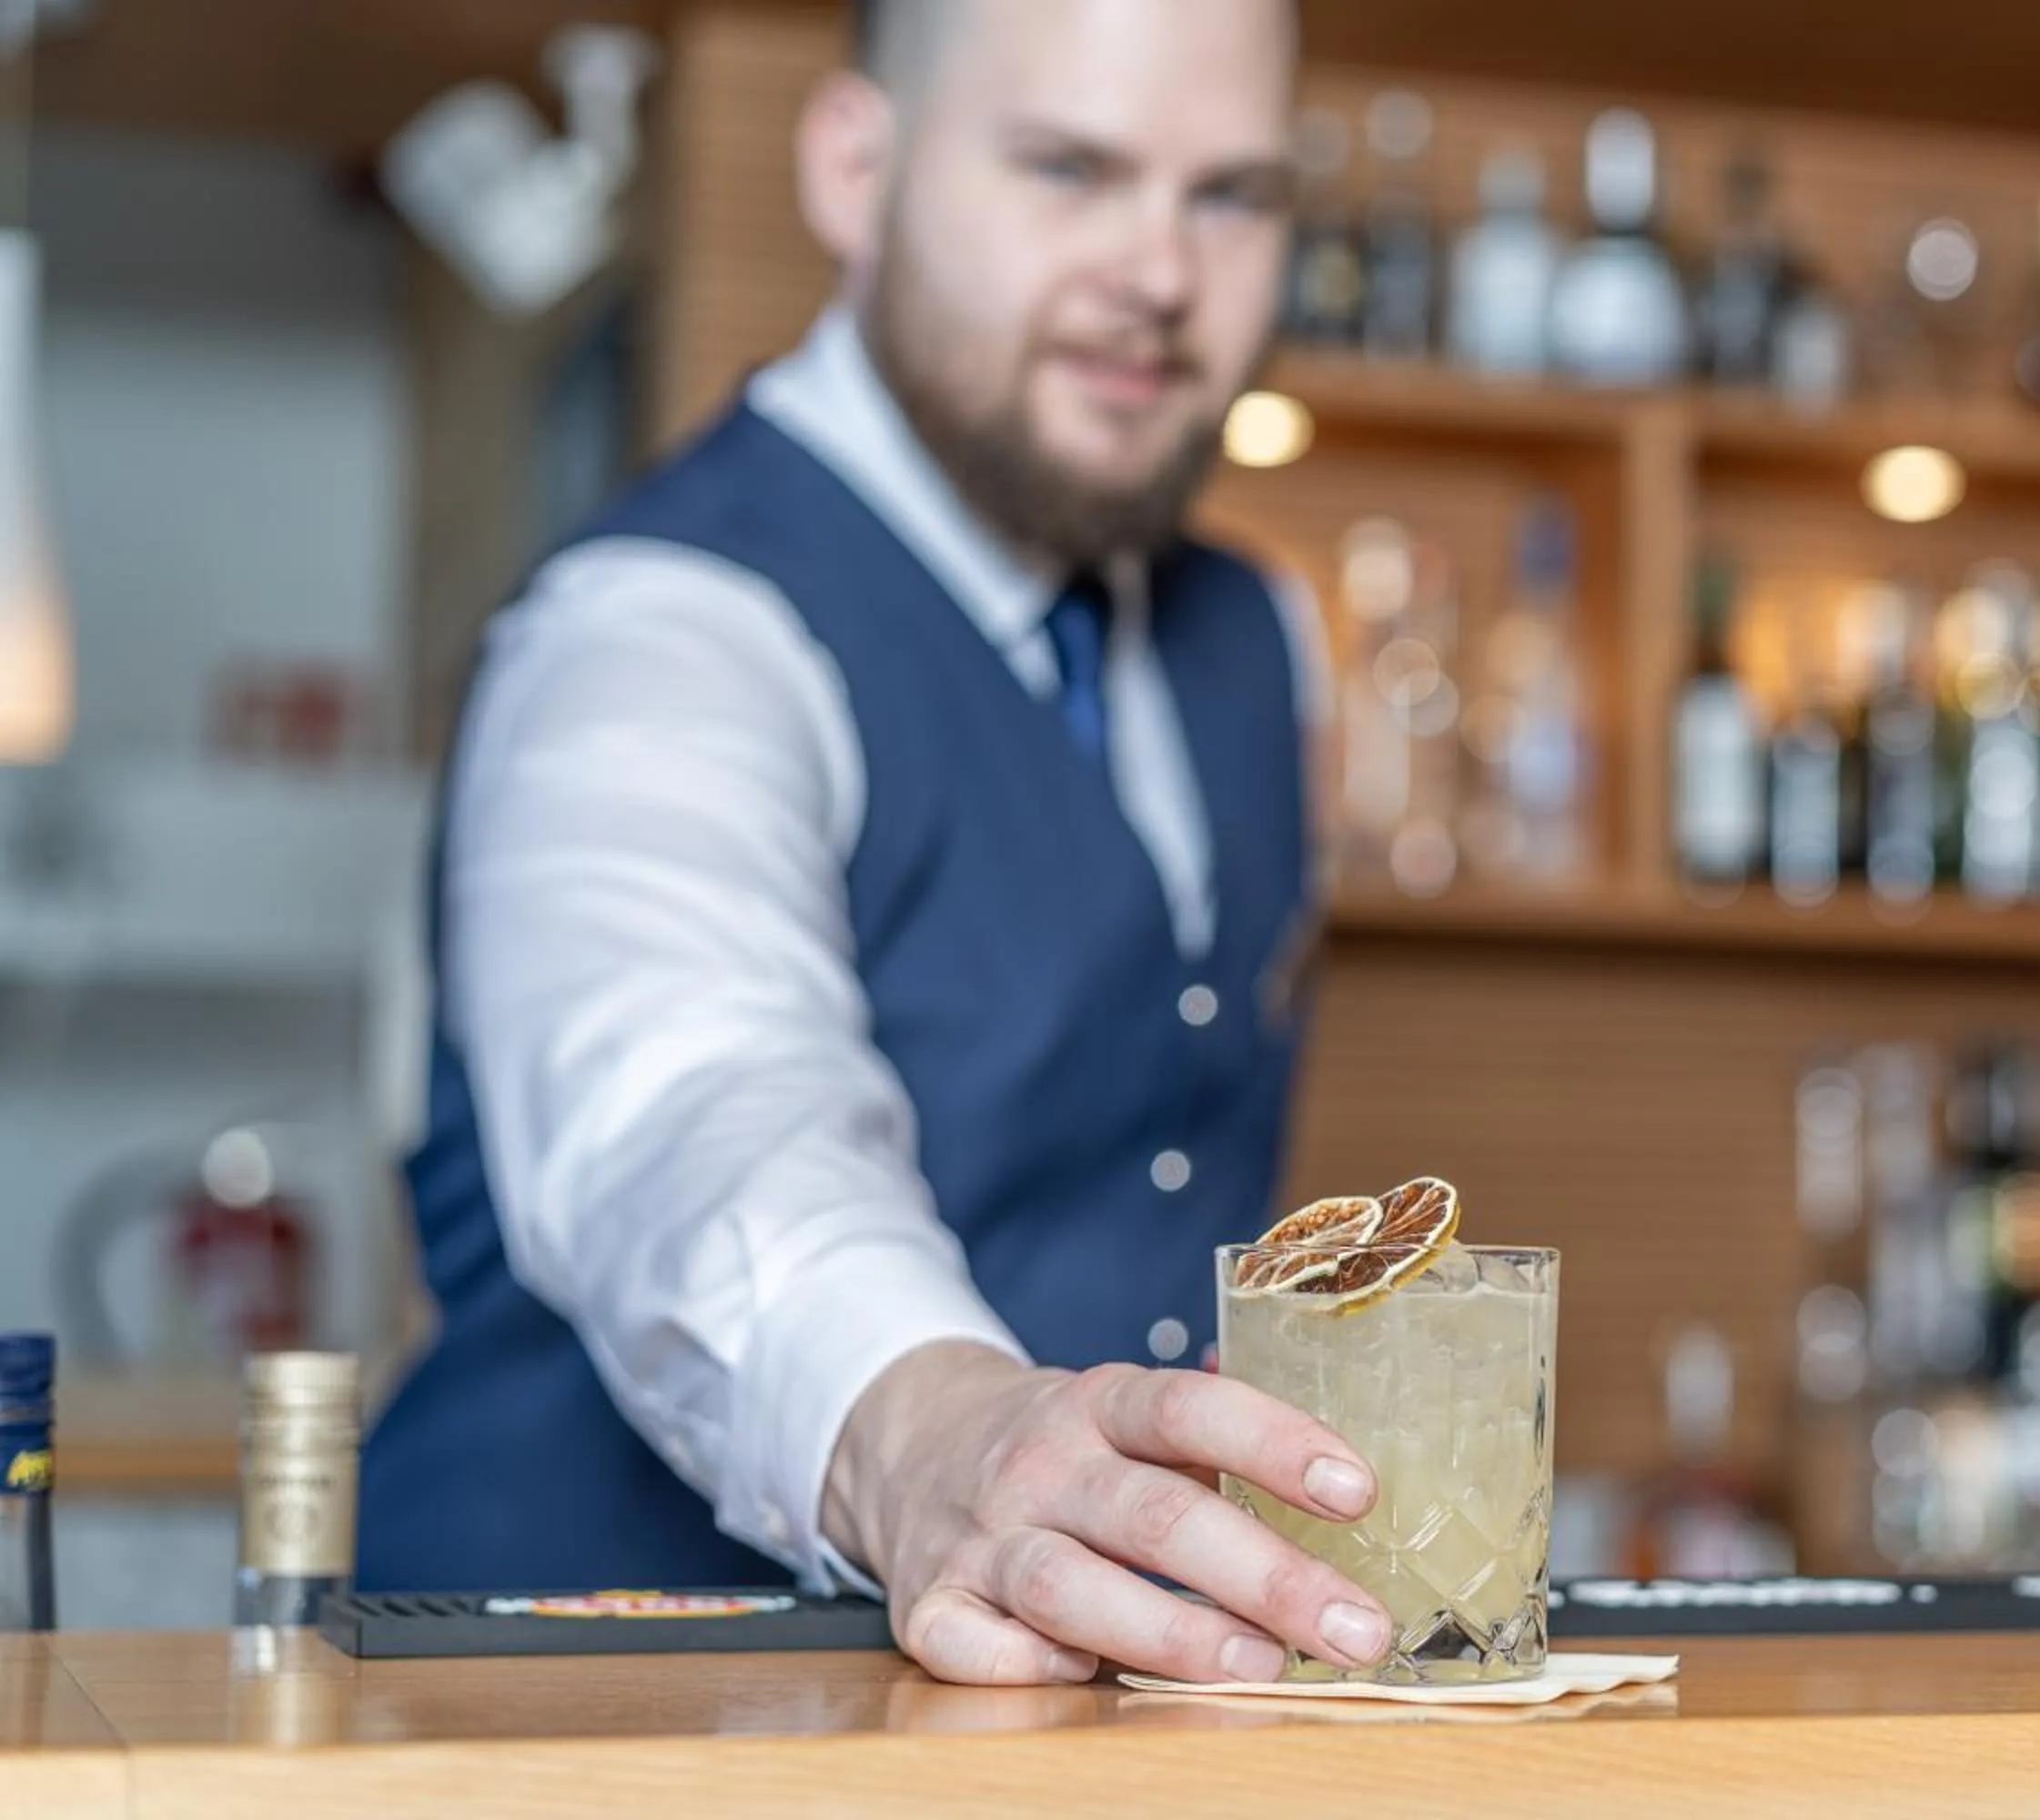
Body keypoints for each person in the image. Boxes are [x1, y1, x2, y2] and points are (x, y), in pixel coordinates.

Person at [359, 0, 1401, 1690]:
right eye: (1070, 168)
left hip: (1053, 1746)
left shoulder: (1259, 634)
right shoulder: (658, 634)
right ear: (857, 167)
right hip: (562, 1729)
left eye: (1232, 196)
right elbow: (693, 1111)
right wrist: (935, 1430)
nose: (1158, 272)